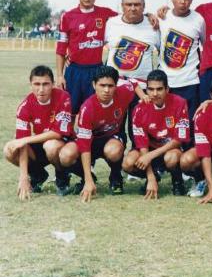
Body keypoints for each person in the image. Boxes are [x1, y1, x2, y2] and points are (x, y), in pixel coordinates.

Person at [58, 66, 146, 202]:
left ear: (116, 85)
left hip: (112, 138)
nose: (106, 90)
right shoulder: (87, 109)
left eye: (110, 86)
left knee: (113, 150)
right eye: (102, 85)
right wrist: (88, 180)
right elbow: (85, 146)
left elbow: (133, 83)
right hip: (91, 142)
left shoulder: (123, 92)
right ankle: (87, 178)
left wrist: (143, 96)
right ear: (94, 85)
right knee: (65, 155)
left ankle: (116, 177)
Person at [3, 66, 74, 199]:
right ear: (30, 85)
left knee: (51, 146)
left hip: (61, 144)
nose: (41, 89)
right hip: (39, 145)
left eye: (45, 84)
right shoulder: (24, 106)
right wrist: (23, 177)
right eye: (36, 84)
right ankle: (38, 175)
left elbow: (58, 133)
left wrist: (25, 139)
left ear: (52, 84)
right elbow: (21, 145)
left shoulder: (63, 97)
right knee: (9, 149)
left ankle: (62, 178)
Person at [122, 70, 190, 198]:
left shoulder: (180, 103)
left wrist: (151, 155)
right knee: (128, 163)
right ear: (146, 90)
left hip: (169, 148)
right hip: (148, 149)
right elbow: (142, 145)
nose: (155, 93)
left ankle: (177, 180)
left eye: (159, 89)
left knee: (172, 158)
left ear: (167, 89)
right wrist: (150, 176)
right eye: (151, 89)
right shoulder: (139, 109)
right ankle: (154, 176)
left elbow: (179, 139)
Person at [105, 0, 160, 146]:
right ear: (122, 6)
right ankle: (116, 168)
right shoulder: (111, 23)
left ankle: (137, 167)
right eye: (129, 4)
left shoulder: (154, 26)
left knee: (139, 128)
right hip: (116, 87)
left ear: (144, 6)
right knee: (114, 129)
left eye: (137, 4)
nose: (133, 8)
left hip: (142, 88)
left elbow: (163, 53)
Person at [55, 0, 118, 115]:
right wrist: (60, 75)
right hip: (74, 71)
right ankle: (67, 136)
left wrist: (148, 15)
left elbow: (129, 17)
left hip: (96, 70)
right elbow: (60, 49)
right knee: (70, 112)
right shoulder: (67, 16)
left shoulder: (106, 13)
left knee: (95, 111)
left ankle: (93, 137)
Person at [158, 0, 205, 120]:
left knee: (188, 122)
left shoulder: (198, 19)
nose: (183, 2)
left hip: (190, 81)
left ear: (191, 0)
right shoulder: (162, 18)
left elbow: (204, 44)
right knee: (166, 122)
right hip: (166, 81)